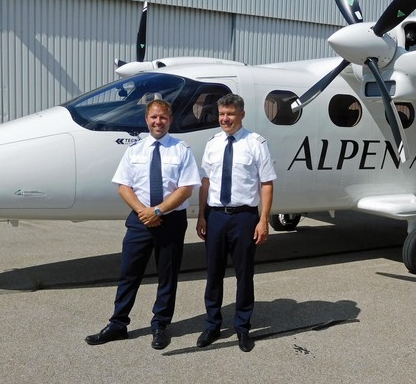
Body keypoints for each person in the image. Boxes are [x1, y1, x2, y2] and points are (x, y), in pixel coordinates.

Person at [86, 99, 200, 350]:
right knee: (129, 273)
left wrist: (158, 210)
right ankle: (118, 324)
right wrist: (144, 212)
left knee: (167, 276)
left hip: (170, 220)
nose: (158, 122)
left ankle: (160, 324)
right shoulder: (134, 150)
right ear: (146, 120)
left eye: (163, 118)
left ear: (170, 120)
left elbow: (186, 189)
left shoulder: (182, 149)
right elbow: (123, 186)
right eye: (153, 117)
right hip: (140, 221)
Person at [195, 93, 276, 352]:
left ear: (241, 114)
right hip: (216, 216)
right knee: (213, 274)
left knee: (244, 275)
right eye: (221, 114)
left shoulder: (256, 143)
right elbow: (206, 181)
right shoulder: (213, 143)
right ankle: (212, 325)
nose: (225, 119)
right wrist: (201, 215)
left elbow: (266, 184)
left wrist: (263, 220)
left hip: (244, 217)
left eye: (230, 114)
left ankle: (242, 327)